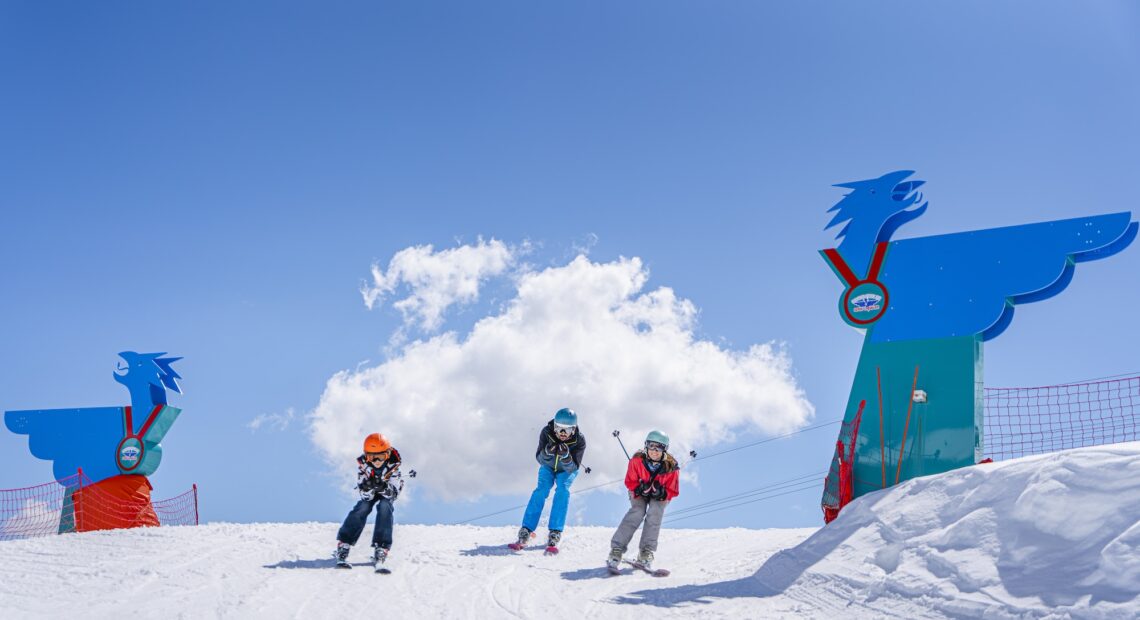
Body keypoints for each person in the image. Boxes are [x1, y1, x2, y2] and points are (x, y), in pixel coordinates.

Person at [512, 407, 587, 551]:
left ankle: (555, 531)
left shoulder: (579, 440)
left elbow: (573, 467)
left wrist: (566, 457)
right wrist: (547, 452)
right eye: (559, 429)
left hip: (566, 470)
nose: (563, 433)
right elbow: (539, 459)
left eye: (567, 430)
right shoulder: (546, 432)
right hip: (548, 467)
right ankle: (526, 529)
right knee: (541, 490)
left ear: (574, 429)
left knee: (562, 490)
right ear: (554, 426)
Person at [606, 430, 679, 571]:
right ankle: (617, 549)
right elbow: (630, 481)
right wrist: (639, 487)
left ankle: (646, 551)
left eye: (659, 447)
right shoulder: (637, 461)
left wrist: (662, 492)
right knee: (638, 511)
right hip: (639, 492)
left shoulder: (671, 467)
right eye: (651, 446)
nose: (654, 451)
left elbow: (673, 490)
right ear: (646, 446)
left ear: (665, 449)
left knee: (655, 512)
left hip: (659, 496)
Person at [333, 433, 403, 569]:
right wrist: (367, 488)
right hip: (371, 493)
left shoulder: (393, 468)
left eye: (380, 457)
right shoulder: (364, 468)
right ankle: (344, 543)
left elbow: (394, 494)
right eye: (372, 457)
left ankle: (381, 547)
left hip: (386, 493)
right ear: (366, 456)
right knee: (363, 506)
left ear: (388, 454)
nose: (376, 461)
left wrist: (383, 487)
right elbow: (365, 496)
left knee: (385, 506)